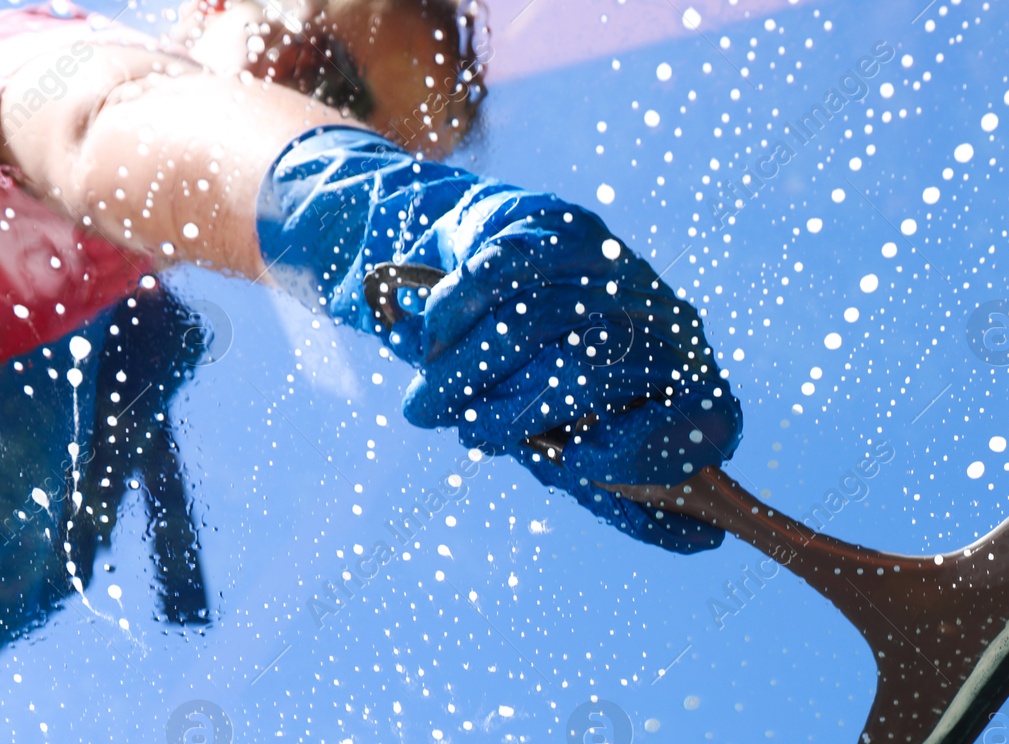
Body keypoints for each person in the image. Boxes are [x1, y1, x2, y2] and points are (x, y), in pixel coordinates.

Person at [0, 0, 742, 647]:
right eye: (327, 74)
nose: (296, 107)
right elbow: (107, 117)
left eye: (349, 121)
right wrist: (386, 215)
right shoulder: (54, 56)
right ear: (216, 4)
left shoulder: (123, 330)